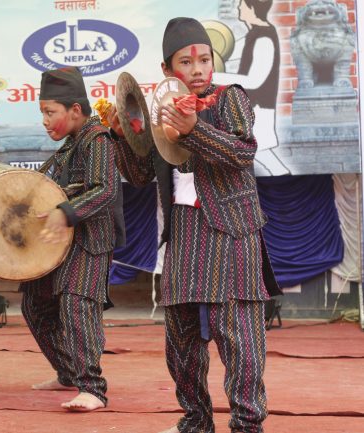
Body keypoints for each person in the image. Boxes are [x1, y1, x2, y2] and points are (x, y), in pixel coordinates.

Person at [108, 18, 282, 433]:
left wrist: (194, 129)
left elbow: (243, 152)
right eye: (187, 62)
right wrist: (122, 137)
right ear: (169, 70)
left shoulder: (229, 99)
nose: (199, 68)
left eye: (205, 59)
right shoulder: (158, 111)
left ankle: (246, 423)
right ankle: (196, 420)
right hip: (185, 232)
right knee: (181, 341)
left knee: (239, 338)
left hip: (231, 230)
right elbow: (137, 175)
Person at [19, 66, 123, 412]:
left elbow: (105, 190)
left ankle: (92, 387)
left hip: (90, 240)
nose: (45, 120)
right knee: (35, 305)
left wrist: (66, 211)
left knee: (76, 304)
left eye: (50, 112)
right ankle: (68, 372)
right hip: (60, 242)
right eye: (43, 113)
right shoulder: (68, 147)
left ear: (75, 110)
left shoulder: (98, 139)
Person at [213, 0, 290, 175]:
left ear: (253, 8)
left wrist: (214, 77)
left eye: (243, 5)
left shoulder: (264, 37)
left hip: (259, 110)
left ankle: (286, 184)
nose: (239, 8)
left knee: (264, 156)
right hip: (252, 110)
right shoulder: (255, 34)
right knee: (263, 158)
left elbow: (255, 80)